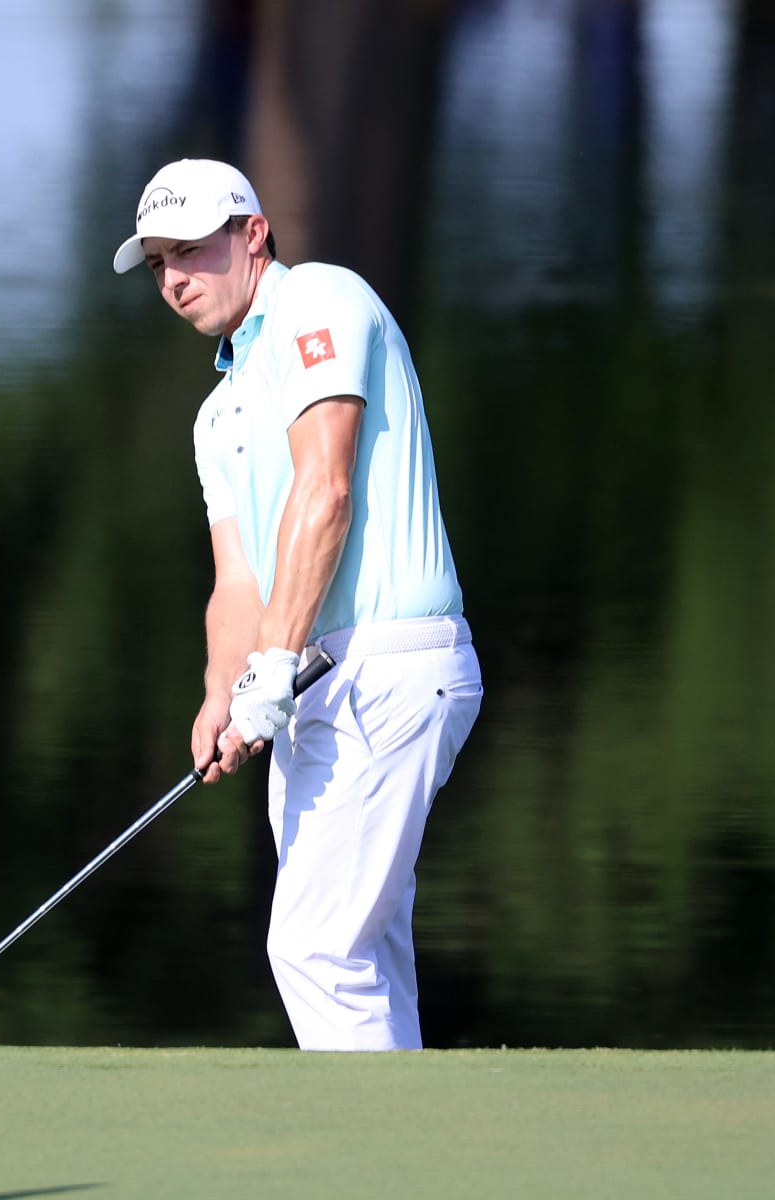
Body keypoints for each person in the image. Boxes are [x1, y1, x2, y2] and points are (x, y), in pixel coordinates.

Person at [112, 159, 482, 1050]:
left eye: (192, 251)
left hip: (391, 665)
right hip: (310, 685)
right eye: (159, 261)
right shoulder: (218, 414)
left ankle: (363, 1162)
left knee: (314, 947)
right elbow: (237, 582)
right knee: (364, 947)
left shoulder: (319, 300)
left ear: (254, 234)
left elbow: (327, 491)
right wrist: (220, 695)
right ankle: (410, 1154)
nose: (173, 278)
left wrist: (270, 670)